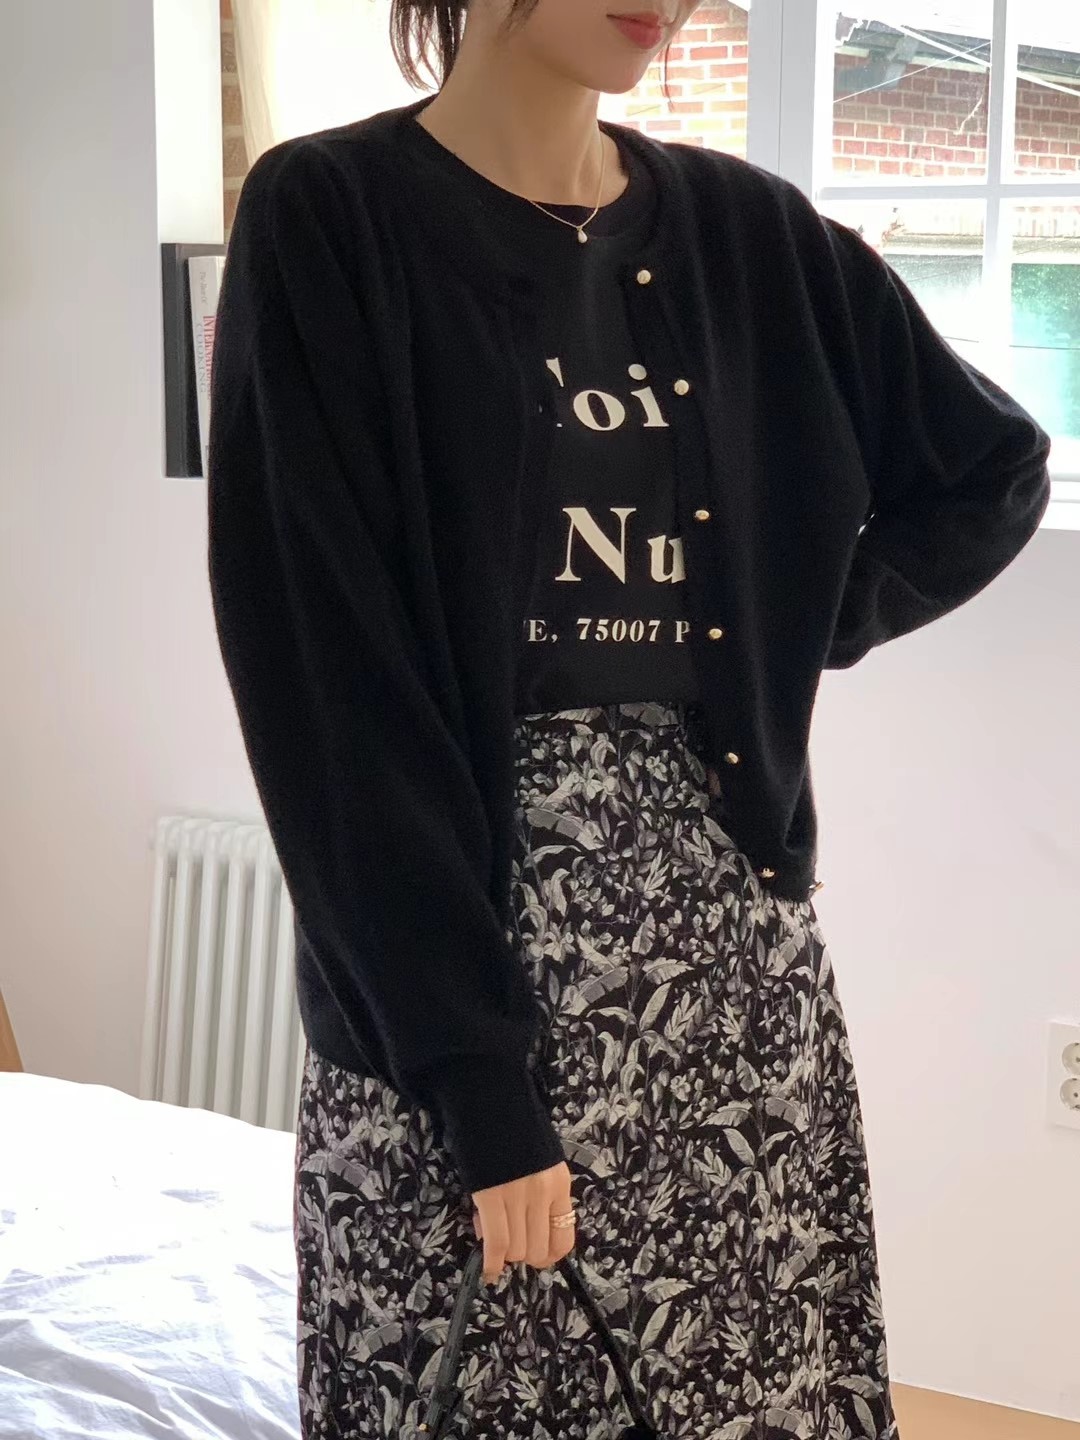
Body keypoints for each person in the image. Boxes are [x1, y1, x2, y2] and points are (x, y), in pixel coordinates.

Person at [206, 2, 1052, 1437]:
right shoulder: (331, 214)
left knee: (757, 1383)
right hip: (465, 967)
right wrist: (478, 1087)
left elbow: (992, 468)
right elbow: (329, 694)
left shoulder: (748, 231)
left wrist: (800, 618)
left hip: (730, 966)